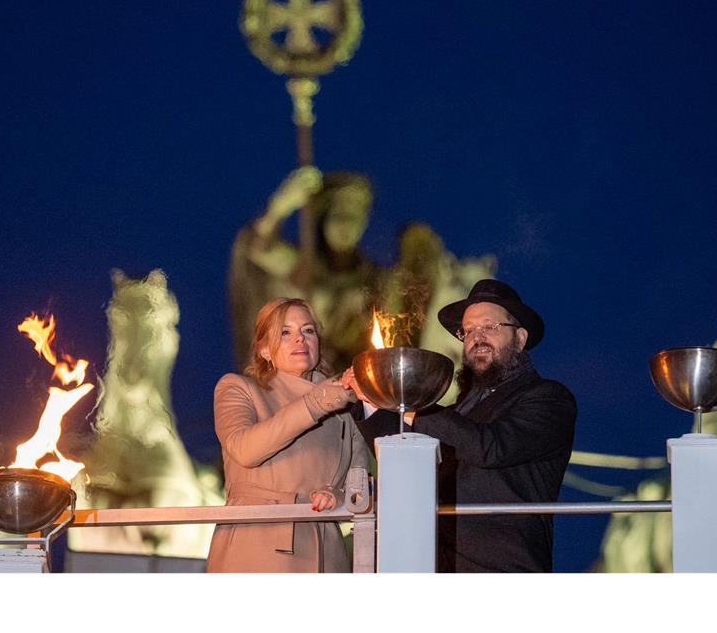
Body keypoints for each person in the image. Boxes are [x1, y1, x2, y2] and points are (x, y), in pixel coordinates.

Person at [345, 279, 577, 572]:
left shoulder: (548, 398)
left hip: (502, 569)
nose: (476, 337)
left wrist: (413, 403)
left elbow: (491, 447)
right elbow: (400, 449)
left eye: (490, 327)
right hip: (432, 562)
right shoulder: (461, 409)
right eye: (468, 331)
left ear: (519, 338)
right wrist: (371, 398)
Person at [207, 297, 366, 572]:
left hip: (328, 553)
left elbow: (360, 484)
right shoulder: (238, 388)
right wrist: (317, 402)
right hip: (255, 546)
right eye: (285, 332)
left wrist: (338, 495)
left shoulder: (344, 409)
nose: (300, 340)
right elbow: (245, 449)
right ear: (264, 349)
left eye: (308, 330)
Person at [228, 167, 380, 372]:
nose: (347, 226)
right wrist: (280, 206)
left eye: (354, 217)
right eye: (340, 215)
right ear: (324, 218)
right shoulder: (303, 268)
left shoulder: (374, 280)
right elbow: (259, 248)